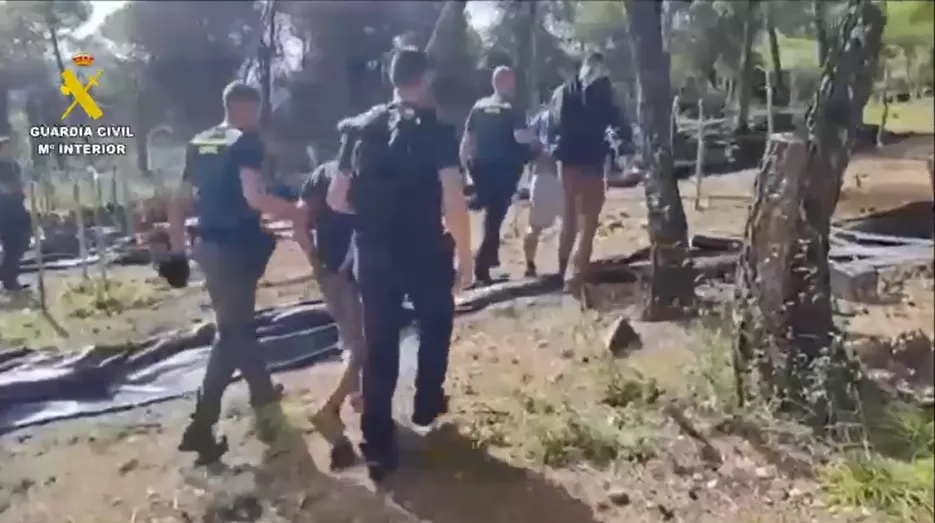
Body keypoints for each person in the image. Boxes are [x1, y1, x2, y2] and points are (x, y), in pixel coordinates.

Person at [327, 48, 473, 482]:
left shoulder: (359, 129)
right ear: (424, 78)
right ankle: (427, 401)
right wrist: (466, 255)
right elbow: (454, 201)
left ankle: (377, 445)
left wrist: (371, 219)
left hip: (373, 252)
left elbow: (335, 199)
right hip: (423, 248)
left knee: (380, 343)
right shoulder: (437, 131)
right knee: (437, 319)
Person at [165, 82, 304, 465]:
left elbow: (180, 199)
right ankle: (201, 426)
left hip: (207, 247)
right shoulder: (246, 142)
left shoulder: (201, 142)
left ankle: (263, 398)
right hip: (235, 250)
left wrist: (177, 251)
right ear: (245, 108)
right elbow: (253, 197)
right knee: (232, 333)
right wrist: (296, 212)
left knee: (237, 327)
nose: (258, 118)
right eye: (256, 110)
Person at [292, 159, 362, 471]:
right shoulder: (365, 173)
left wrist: (313, 259)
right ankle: (330, 411)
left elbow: (299, 223)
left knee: (350, 339)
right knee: (363, 346)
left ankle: (359, 400)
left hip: (327, 269)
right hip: (352, 270)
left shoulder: (321, 173)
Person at [548, 52, 633, 295]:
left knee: (574, 221)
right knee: (585, 223)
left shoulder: (565, 92)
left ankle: (565, 272)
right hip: (588, 163)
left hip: (572, 163)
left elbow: (553, 126)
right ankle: (572, 276)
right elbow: (620, 124)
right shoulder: (601, 93)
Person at [460, 66, 534, 285]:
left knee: (492, 216)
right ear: (505, 82)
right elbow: (519, 137)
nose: (514, 85)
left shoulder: (479, 106)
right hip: (504, 170)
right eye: (511, 81)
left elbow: (467, 140)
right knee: (495, 217)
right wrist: (536, 136)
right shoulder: (512, 108)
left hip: (481, 170)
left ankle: (490, 261)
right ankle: (481, 266)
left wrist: (462, 169)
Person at [522, 105, 563, 279]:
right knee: (571, 224)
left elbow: (527, 142)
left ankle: (530, 265)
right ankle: (565, 265)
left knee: (534, 227)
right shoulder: (572, 114)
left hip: (542, 175)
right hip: (565, 175)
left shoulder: (540, 119)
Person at [0, 137, 31, 292]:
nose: (10, 150)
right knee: (11, 244)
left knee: (23, 240)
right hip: (4, 210)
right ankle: (10, 280)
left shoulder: (15, 165)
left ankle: (7, 274)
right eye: (6, 147)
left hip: (17, 206)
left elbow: (20, 183)